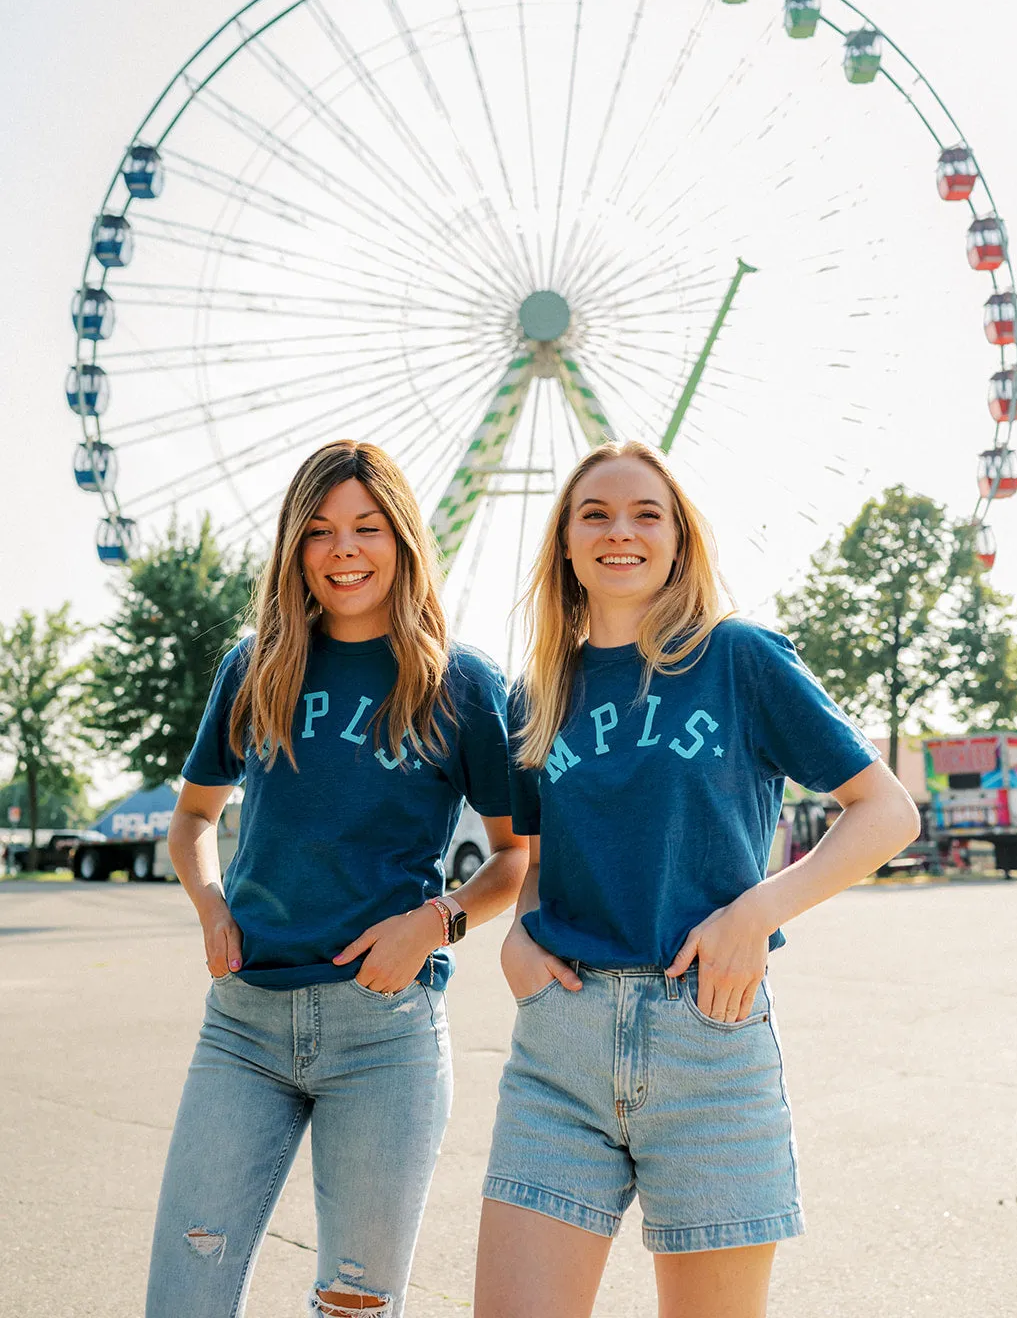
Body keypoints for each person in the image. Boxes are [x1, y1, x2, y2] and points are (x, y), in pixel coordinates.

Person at [476, 440, 919, 1318]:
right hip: (559, 1048)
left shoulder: (738, 659)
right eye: (594, 514)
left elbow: (886, 812)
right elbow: (537, 854)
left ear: (679, 540)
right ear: (564, 543)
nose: (621, 532)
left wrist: (753, 914)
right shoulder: (535, 696)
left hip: (706, 1034)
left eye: (648, 514)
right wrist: (518, 938)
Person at [147, 440, 526, 1318]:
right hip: (242, 1023)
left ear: (401, 537)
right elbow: (194, 818)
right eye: (318, 531)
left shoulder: (459, 682)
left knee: (353, 1306)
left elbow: (514, 857)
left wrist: (437, 921)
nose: (343, 550)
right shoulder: (255, 668)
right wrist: (209, 905)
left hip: (384, 1032)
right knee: (183, 1297)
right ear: (293, 548)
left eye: (365, 527)